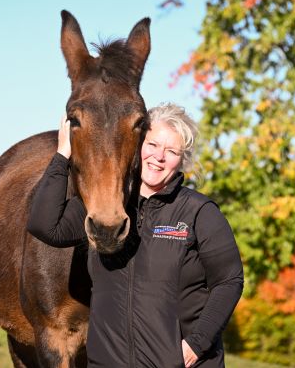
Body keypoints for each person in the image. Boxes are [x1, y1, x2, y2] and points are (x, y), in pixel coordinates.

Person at [27, 103, 244, 368]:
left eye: (171, 151)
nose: (159, 157)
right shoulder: (106, 209)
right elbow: (44, 226)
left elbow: (229, 280)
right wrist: (62, 155)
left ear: (181, 159)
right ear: (136, 145)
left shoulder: (199, 212)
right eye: (152, 145)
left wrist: (197, 344)